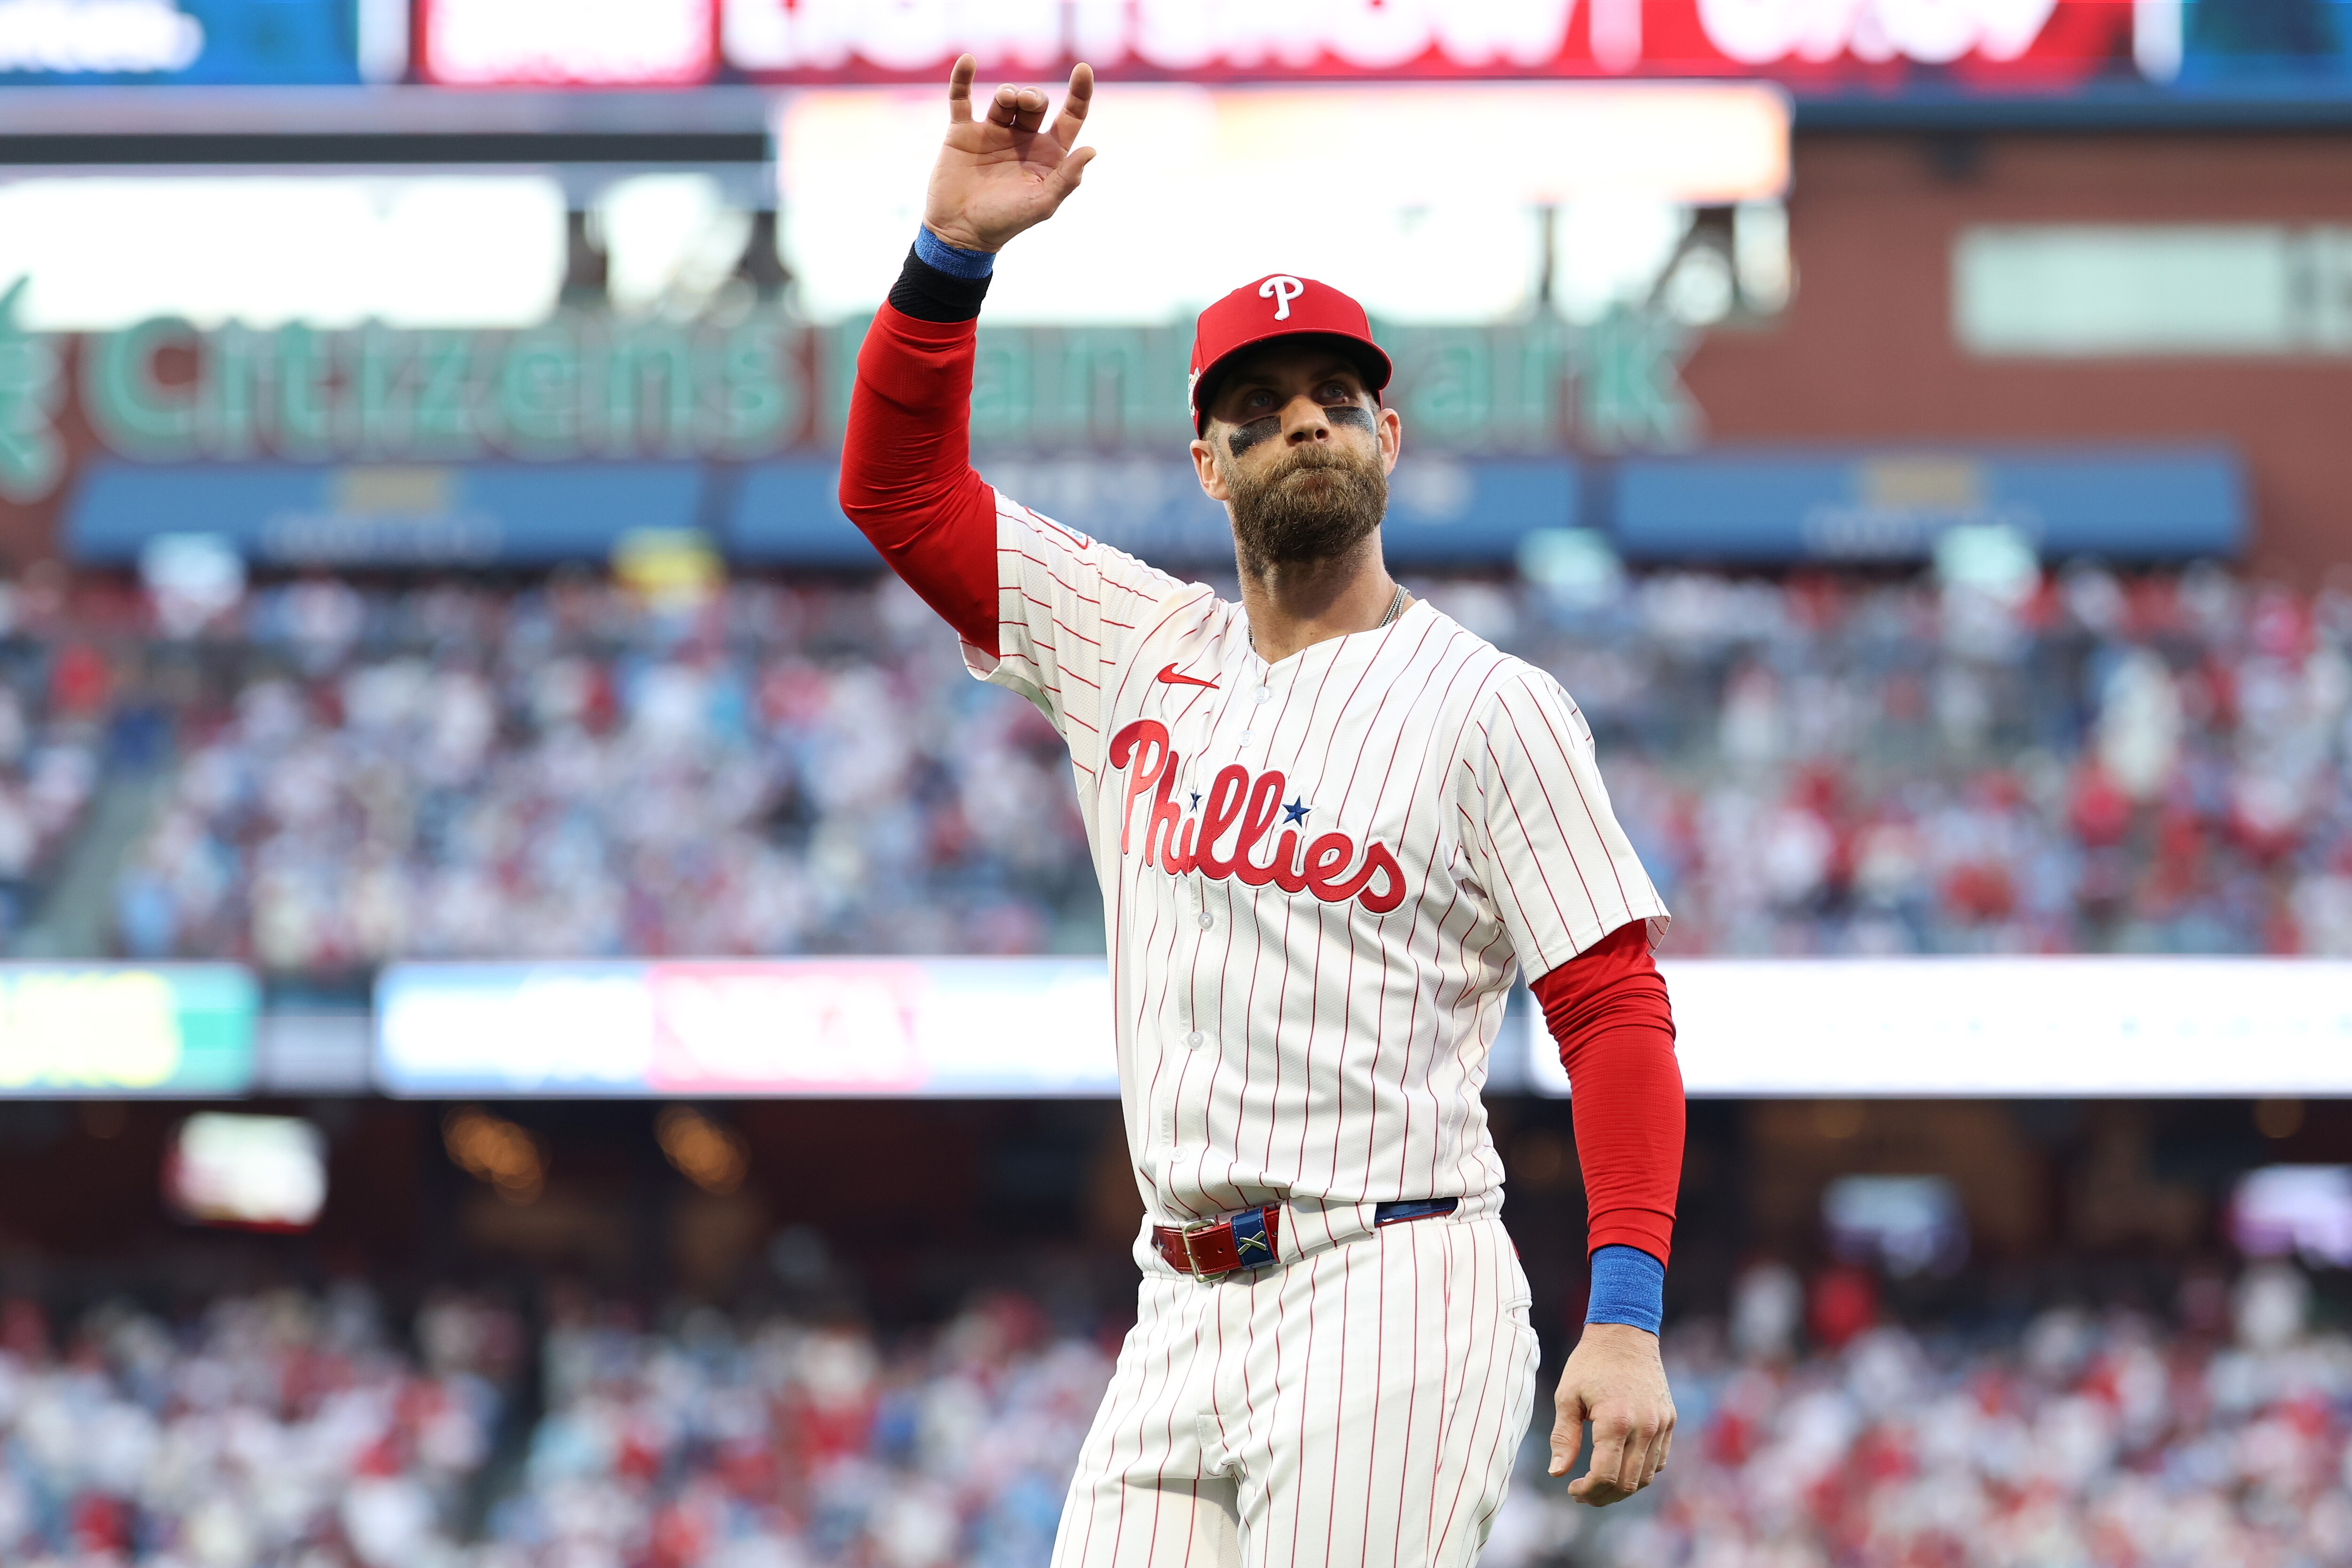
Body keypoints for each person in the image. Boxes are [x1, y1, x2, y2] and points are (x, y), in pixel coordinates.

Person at [838, 57, 1685, 1568]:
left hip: (1393, 1283)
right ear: (1207, 462)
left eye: (1336, 398)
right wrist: (950, 257)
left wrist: (1623, 1316)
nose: (1305, 421)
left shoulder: (1490, 704)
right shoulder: (1133, 644)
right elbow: (899, 494)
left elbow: (1614, 1013)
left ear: (1388, 441)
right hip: (1178, 1304)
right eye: (1260, 405)